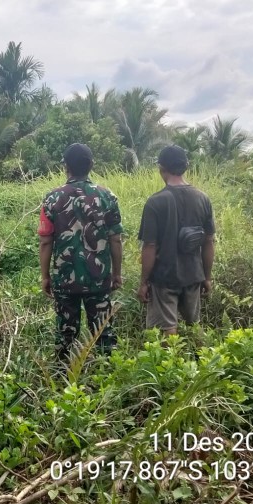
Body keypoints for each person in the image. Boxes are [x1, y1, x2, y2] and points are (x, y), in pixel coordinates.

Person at [38, 143, 123, 359]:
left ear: (66, 166)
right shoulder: (107, 196)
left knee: (65, 335)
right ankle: (106, 370)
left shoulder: (52, 198)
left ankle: (64, 374)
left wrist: (45, 276)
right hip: (99, 277)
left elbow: (46, 242)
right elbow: (115, 239)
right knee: (103, 333)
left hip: (65, 278)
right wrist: (116, 274)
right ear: (91, 165)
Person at [137, 144, 216, 334]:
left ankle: (172, 356)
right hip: (193, 275)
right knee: (195, 326)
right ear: (186, 166)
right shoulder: (202, 198)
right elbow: (209, 242)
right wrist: (207, 278)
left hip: (164, 277)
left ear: (161, 168)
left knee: (167, 329)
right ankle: (203, 354)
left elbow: (149, 246)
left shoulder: (155, 202)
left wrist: (144, 282)